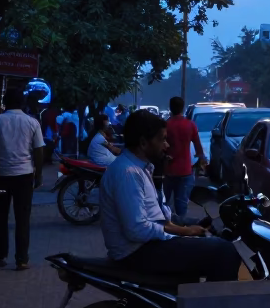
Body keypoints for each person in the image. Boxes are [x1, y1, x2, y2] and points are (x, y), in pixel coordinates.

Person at [98, 109, 239, 281]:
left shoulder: (143, 168)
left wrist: (190, 226)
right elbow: (137, 229)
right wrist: (184, 231)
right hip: (136, 251)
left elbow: (159, 214)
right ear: (143, 143)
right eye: (162, 140)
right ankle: (213, 306)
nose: (166, 146)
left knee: (207, 234)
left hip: (146, 244)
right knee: (224, 251)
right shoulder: (128, 173)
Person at [0, 88, 45, 271]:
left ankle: (0, 256)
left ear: (5, 103)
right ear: (22, 103)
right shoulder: (32, 122)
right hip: (24, 176)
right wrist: (38, 174)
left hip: (0, 175)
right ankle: (22, 259)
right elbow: (39, 150)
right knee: (22, 218)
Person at [163, 96, 207, 220]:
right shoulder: (190, 125)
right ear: (183, 107)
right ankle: (181, 229)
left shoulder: (166, 125)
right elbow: (199, 149)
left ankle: (167, 227)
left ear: (170, 108)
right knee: (181, 202)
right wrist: (201, 163)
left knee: (165, 202)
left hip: (168, 169)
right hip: (185, 169)